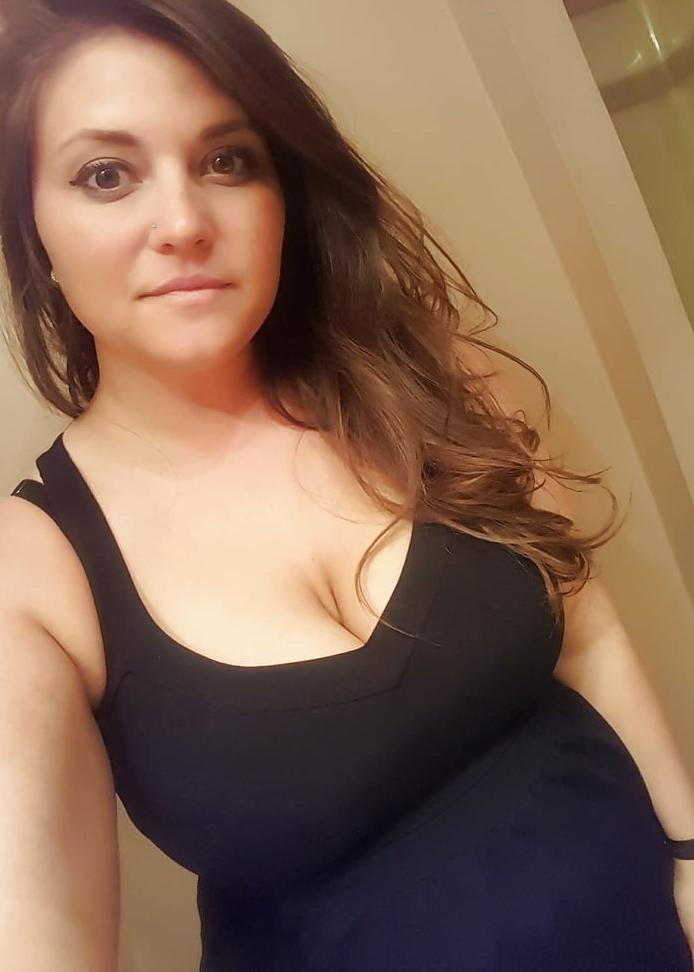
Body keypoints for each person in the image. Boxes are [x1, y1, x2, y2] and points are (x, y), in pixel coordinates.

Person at [0, 1, 692, 969]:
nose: (184, 223)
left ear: (282, 189)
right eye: (106, 175)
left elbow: (589, 631)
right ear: (32, 226)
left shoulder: (426, 383)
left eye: (227, 160)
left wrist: (689, 860)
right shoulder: (34, 571)